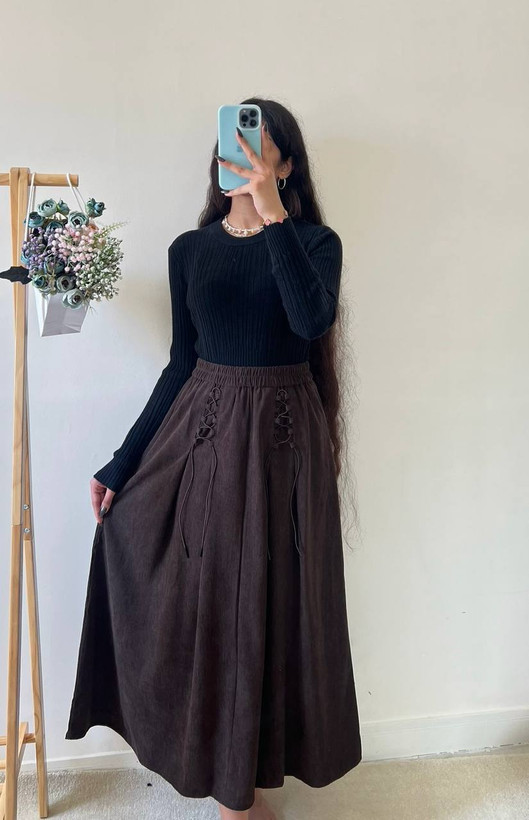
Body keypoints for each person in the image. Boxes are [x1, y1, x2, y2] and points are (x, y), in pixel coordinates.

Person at [65, 97, 362, 820]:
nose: (243, 157)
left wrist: (274, 218)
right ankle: (231, 789)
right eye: (233, 145)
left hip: (284, 447)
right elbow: (179, 365)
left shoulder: (315, 242)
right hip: (203, 439)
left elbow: (310, 320)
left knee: (272, 609)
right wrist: (121, 464)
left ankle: (247, 791)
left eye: (259, 148)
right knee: (213, 603)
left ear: (285, 165)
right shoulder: (189, 251)